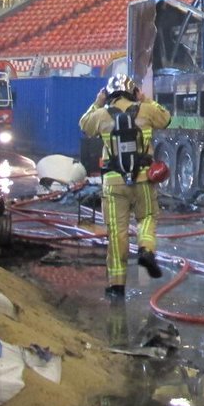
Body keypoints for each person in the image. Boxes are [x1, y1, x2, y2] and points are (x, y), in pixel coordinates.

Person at [79, 73, 172, 299]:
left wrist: (97, 102)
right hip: (143, 181)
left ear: (109, 94)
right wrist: (146, 99)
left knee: (117, 233)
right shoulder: (147, 110)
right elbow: (166, 118)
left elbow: (84, 125)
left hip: (114, 183)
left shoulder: (101, 115)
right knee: (147, 218)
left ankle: (117, 286)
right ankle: (146, 250)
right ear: (133, 91)